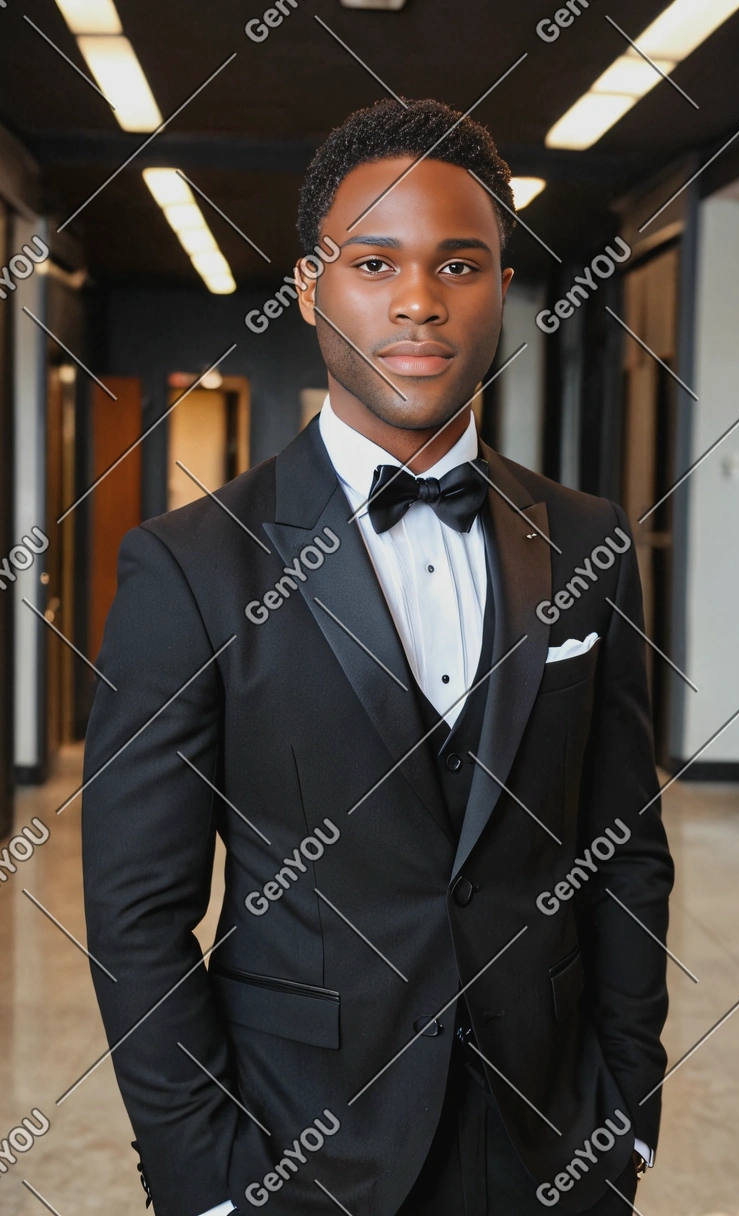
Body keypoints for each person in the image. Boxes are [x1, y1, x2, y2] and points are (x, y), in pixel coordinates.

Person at [82, 98, 674, 1216]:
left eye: (460, 263)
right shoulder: (193, 565)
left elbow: (625, 851)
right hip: (292, 1140)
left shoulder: (589, 539)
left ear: (503, 287)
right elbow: (133, 909)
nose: (417, 300)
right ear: (311, 287)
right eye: (373, 261)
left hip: (546, 1140)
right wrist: (207, 1175)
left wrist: (624, 1117)